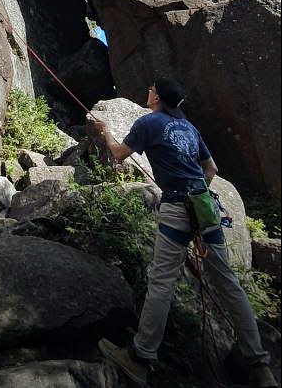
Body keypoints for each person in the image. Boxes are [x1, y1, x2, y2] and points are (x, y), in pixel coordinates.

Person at [91, 77, 277, 388]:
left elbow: (119, 154)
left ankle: (140, 358)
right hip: (206, 209)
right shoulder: (190, 128)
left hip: (177, 207)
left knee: (162, 282)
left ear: (157, 98)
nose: (148, 91)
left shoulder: (148, 123)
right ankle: (259, 365)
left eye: (151, 89)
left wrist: (105, 131)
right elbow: (211, 169)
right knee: (228, 284)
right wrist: (196, 193)